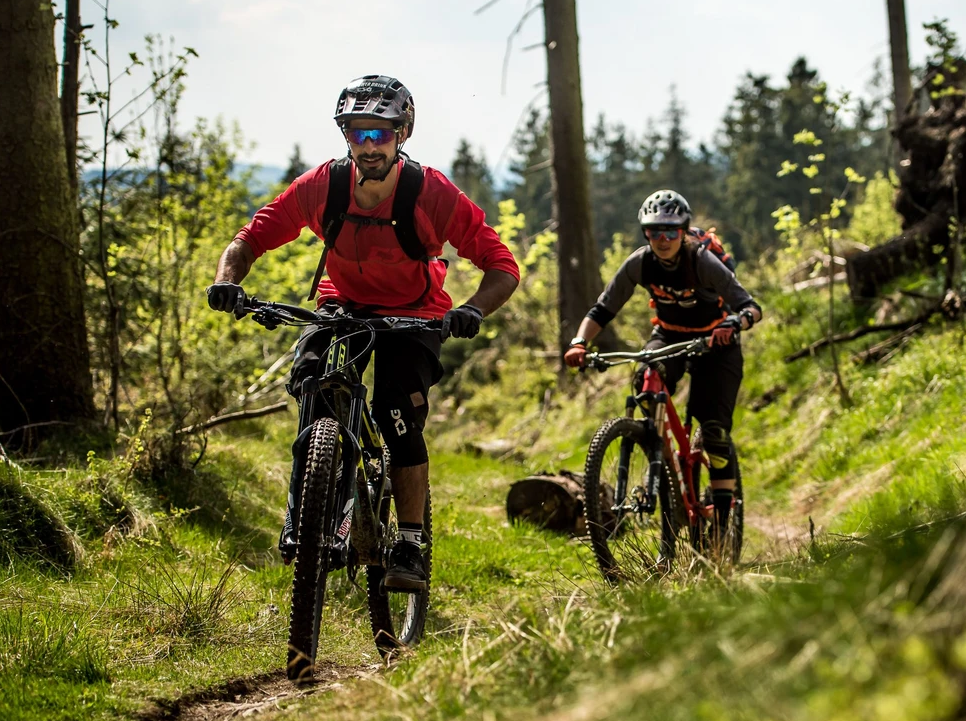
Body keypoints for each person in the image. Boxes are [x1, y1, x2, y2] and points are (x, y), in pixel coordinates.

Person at [207, 75, 519, 587]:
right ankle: (309, 513)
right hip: (343, 307)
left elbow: (502, 265)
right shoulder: (323, 187)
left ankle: (411, 543)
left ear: (403, 133)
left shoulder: (431, 192)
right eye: (357, 133)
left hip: (414, 315)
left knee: (396, 414)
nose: (369, 145)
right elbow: (250, 238)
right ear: (345, 135)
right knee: (312, 382)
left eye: (381, 133)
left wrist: (472, 309)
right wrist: (227, 283)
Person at [563, 189, 762, 535]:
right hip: (669, 336)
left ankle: (722, 518)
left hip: (716, 342)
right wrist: (580, 342)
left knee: (714, 429)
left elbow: (750, 307)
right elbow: (603, 309)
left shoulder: (701, 261)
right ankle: (663, 459)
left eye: (671, 231)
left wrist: (732, 324)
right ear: (646, 234)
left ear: (684, 231)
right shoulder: (640, 263)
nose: (664, 239)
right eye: (656, 232)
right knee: (646, 381)